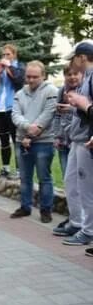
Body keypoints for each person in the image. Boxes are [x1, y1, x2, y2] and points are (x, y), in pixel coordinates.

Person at [10, 60, 57, 223]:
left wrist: (34, 131)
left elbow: (48, 113)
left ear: (43, 76)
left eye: (35, 77)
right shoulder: (19, 94)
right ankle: (25, 206)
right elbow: (15, 114)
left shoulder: (51, 91)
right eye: (28, 76)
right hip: (21, 140)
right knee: (25, 177)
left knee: (44, 177)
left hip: (44, 141)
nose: (30, 80)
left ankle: (46, 209)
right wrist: (28, 127)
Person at [61, 39, 93, 248]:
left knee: (87, 187)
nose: (73, 65)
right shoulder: (87, 78)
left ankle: (88, 230)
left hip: (86, 141)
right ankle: (79, 224)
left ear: (82, 57)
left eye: (75, 59)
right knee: (74, 183)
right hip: (79, 138)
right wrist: (75, 106)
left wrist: (82, 104)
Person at [51, 64, 82, 233]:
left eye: (75, 74)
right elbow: (56, 114)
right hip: (64, 142)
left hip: (79, 141)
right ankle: (73, 217)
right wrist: (56, 136)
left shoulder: (84, 90)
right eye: (68, 74)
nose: (72, 77)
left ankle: (81, 220)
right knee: (68, 182)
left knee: (81, 183)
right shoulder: (61, 91)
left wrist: (72, 107)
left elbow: (85, 113)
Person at [0, 44, 25, 177]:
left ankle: (18, 170)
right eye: (3, 55)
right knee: (3, 140)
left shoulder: (19, 67)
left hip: (13, 107)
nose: (5, 57)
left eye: (8, 55)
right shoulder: (2, 69)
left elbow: (18, 81)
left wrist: (8, 66)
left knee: (16, 139)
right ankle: (5, 167)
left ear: (14, 55)